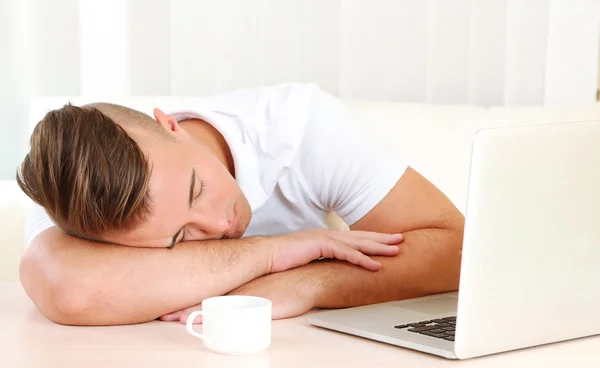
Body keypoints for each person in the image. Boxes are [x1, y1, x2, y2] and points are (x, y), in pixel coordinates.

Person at [16, 83, 464, 326]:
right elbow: (72, 293)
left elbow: (456, 249)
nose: (219, 224)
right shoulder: (79, 196)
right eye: (178, 238)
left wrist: (305, 285)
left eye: (196, 190)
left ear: (171, 124)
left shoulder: (299, 127)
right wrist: (274, 252)